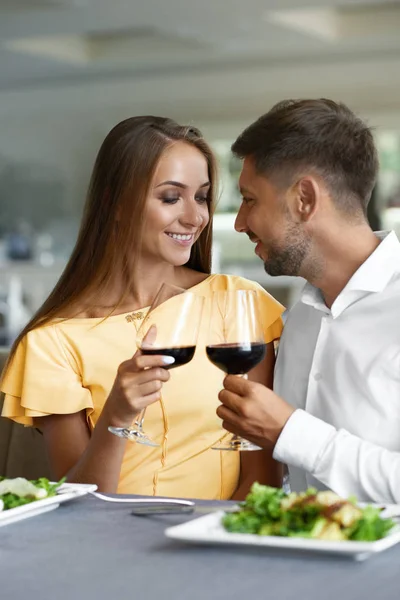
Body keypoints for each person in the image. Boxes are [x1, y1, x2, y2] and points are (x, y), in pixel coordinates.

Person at [0, 116, 284, 499]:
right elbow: (79, 500)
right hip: (112, 550)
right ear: (114, 204)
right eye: (171, 197)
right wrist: (115, 417)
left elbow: (262, 476)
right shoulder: (53, 341)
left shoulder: (238, 304)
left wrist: (210, 544)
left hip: (218, 543)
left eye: (201, 196)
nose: (195, 216)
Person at [217, 98, 400, 504]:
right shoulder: (299, 317)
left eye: (249, 199)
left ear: (304, 198)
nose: (239, 222)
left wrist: (290, 433)